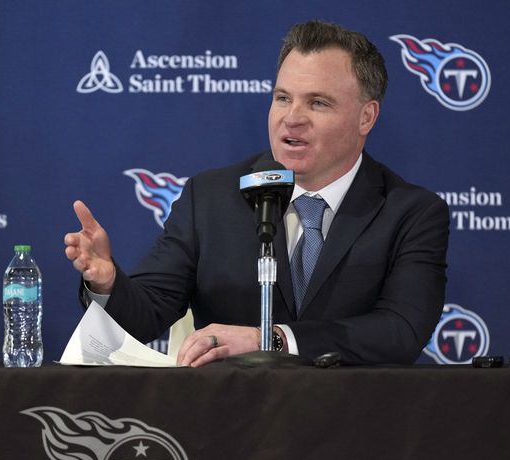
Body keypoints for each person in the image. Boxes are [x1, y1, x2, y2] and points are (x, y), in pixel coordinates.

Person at [64, 20, 449, 367]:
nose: (292, 117)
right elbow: (144, 316)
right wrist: (108, 283)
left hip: (354, 429)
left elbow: (400, 331)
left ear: (366, 116)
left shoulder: (411, 213)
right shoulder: (211, 197)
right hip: (231, 427)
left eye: (317, 102)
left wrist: (271, 340)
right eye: (283, 97)